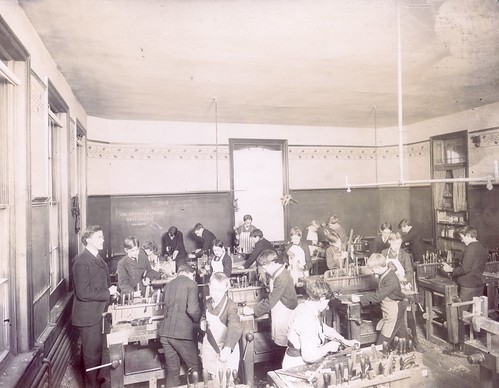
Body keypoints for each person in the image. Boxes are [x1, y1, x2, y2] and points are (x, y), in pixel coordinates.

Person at [72, 225, 118, 387]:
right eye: (99, 237)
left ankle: (95, 376)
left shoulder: (97, 258)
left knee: (97, 350)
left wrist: (112, 292)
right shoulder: (81, 261)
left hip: (98, 312)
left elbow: (104, 282)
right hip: (88, 316)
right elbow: (83, 292)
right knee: (91, 354)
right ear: (88, 239)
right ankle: (91, 384)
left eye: (102, 237)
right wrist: (108, 292)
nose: (103, 240)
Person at [282, 278, 360, 369]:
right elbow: (309, 357)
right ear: (322, 298)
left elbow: (323, 328)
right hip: (297, 366)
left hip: (296, 361)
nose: (327, 307)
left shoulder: (305, 307)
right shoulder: (307, 320)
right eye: (327, 302)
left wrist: (345, 341)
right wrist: (328, 347)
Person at [243, 250, 298, 349]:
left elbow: (271, 300)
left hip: (285, 310)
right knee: (278, 338)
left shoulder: (282, 277)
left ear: (272, 263)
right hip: (279, 307)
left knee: (283, 341)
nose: (264, 270)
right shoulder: (277, 272)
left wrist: (252, 310)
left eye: (265, 267)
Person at [158, 264, 202, 388]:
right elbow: (192, 310)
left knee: (173, 372)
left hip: (165, 334)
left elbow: (166, 310)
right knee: (195, 369)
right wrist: (200, 321)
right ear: (190, 273)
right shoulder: (191, 284)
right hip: (181, 334)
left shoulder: (167, 285)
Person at [381, 232, 424, 352]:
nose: (397, 246)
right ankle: (393, 342)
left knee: (409, 314)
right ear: (389, 241)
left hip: (403, 285)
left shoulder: (404, 254)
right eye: (394, 243)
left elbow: (410, 272)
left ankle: (415, 340)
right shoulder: (384, 253)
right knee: (392, 315)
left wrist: (404, 279)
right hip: (389, 286)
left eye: (399, 244)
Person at [358, 253, 408, 347]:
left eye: (373, 269)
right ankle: (410, 352)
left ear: (378, 267)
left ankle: (381, 354)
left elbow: (378, 296)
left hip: (394, 310)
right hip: (392, 308)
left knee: (384, 340)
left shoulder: (390, 279)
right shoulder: (386, 273)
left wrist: (360, 299)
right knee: (402, 334)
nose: (372, 271)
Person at [200, 272, 242, 378]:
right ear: (209, 286)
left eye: (220, 290)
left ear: (226, 289)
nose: (216, 293)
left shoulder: (231, 306)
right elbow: (204, 316)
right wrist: (202, 322)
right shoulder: (207, 302)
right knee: (210, 380)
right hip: (209, 349)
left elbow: (235, 327)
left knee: (225, 381)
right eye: (213, 289)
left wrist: (228, 348)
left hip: (224, 351)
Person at [442, 226, 487, 307]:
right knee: (475, 312)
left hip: (467, 287)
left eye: (462, 238)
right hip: (478, 285)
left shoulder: (470, 248)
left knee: (463, 314)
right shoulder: (482, 247)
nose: (462, 240)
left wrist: (450, 269)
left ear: (468, 236)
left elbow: (464, 269)